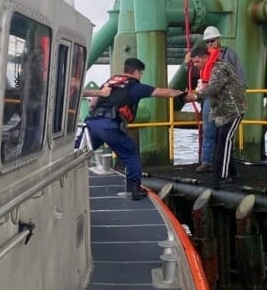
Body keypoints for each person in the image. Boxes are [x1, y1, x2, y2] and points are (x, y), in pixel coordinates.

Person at [83, 57, 184, 200]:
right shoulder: (135, 86)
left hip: (92, 123)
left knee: (80, 155)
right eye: (141, 73)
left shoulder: (110, 82)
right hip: (109, 126)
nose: (141, 76)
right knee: (130, 152)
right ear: (136, 72)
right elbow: (165, 93)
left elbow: (93, 103)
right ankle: (134, 190)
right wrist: (183, 94)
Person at [188, 41, 247, 189]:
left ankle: (221, 177)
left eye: (196, 61)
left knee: (224, 141)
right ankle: (231, 173)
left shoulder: (219, 69)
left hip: (233, 110)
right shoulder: (211, 69)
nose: (195, 65)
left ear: (204, 57)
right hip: (223, 110)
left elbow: (212, 88)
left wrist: (195, 97)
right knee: (223, 140)